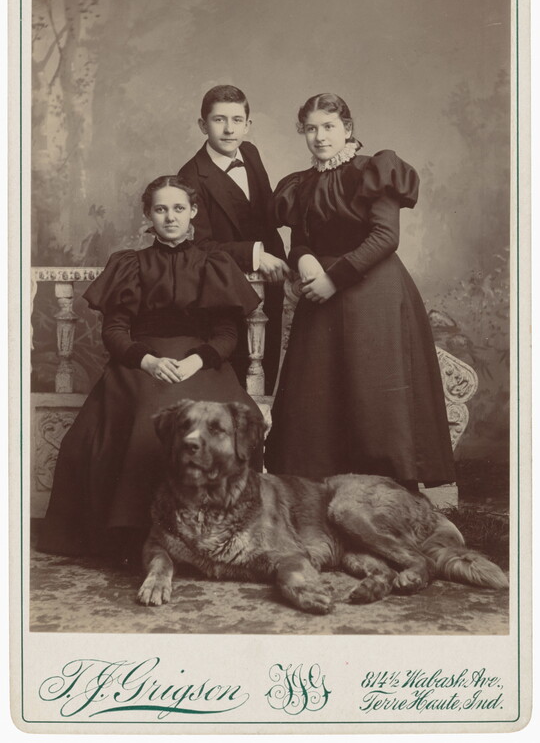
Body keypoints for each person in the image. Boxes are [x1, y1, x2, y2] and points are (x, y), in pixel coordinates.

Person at [37, 176, 263, 565]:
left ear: (193, 212)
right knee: (142, 418)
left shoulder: (215, 263)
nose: (170, 217)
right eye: (161, 209)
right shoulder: (130, 264)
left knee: (239, 420)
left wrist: (196, 360)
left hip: (201, 362)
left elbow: (227, 333)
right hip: (140, 363)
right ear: (148, 215)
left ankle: (218, 532)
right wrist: (149, 362)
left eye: (179, 208)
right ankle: (131, 537)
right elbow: (114, 331)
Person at [265, 93, 455, 489]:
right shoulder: (300, 184)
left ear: (347, 129)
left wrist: (335, 278)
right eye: (311, 129)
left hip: (373, 291)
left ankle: (386, 490)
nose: (319, 137)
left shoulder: (374, 169)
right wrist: (304, 260)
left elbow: (385, 236)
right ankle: (317, 491)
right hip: (321, 295)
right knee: (316, 392)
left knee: (373, 389)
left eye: (329, 127)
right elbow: (301, 239)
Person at [178, 85, 288, 394]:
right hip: (225, 289)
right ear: (203, 125)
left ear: (248, 125)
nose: (229, 129)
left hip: (270, 284)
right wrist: (254, 255)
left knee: (267, 375)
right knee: (236, 379)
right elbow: (198, 246)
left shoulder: (250, 153)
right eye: (219, 120)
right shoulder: (190, 177)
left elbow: (266, 219)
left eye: (237, 120)